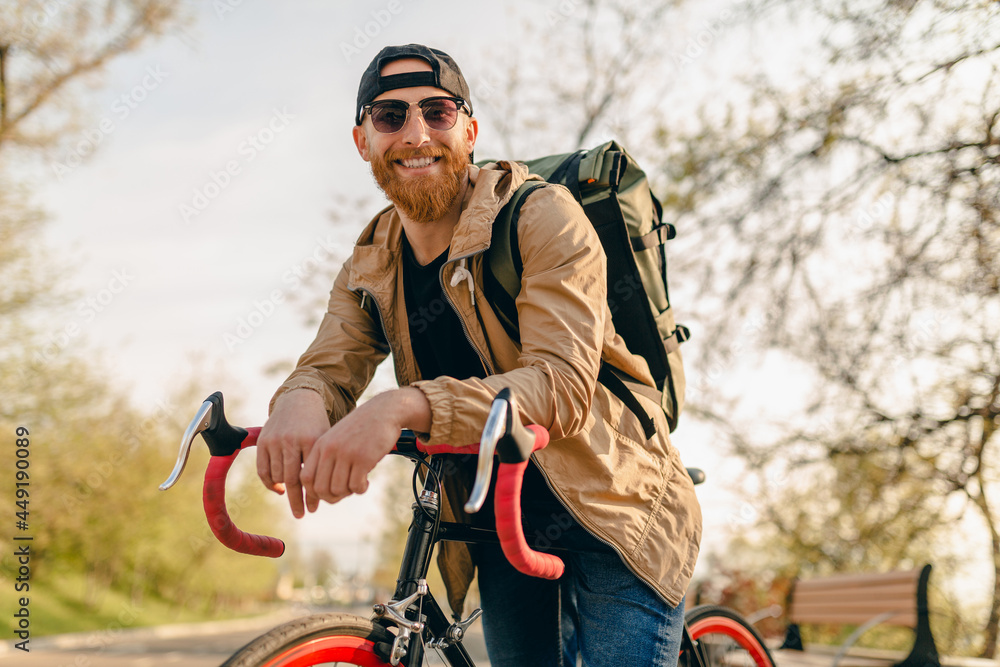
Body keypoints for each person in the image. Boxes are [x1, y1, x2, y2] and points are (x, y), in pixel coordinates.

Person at [257, 43, 702, 666]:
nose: (415, 134)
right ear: (362, 140)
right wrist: (299, 403)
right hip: (502, 520)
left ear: (469, 131)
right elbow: (329, 364)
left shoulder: (543, 216)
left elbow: (560, 388)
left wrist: (401, 406)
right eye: (389, 116)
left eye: (437, 112)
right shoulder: (373, 258)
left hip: (617, 506)